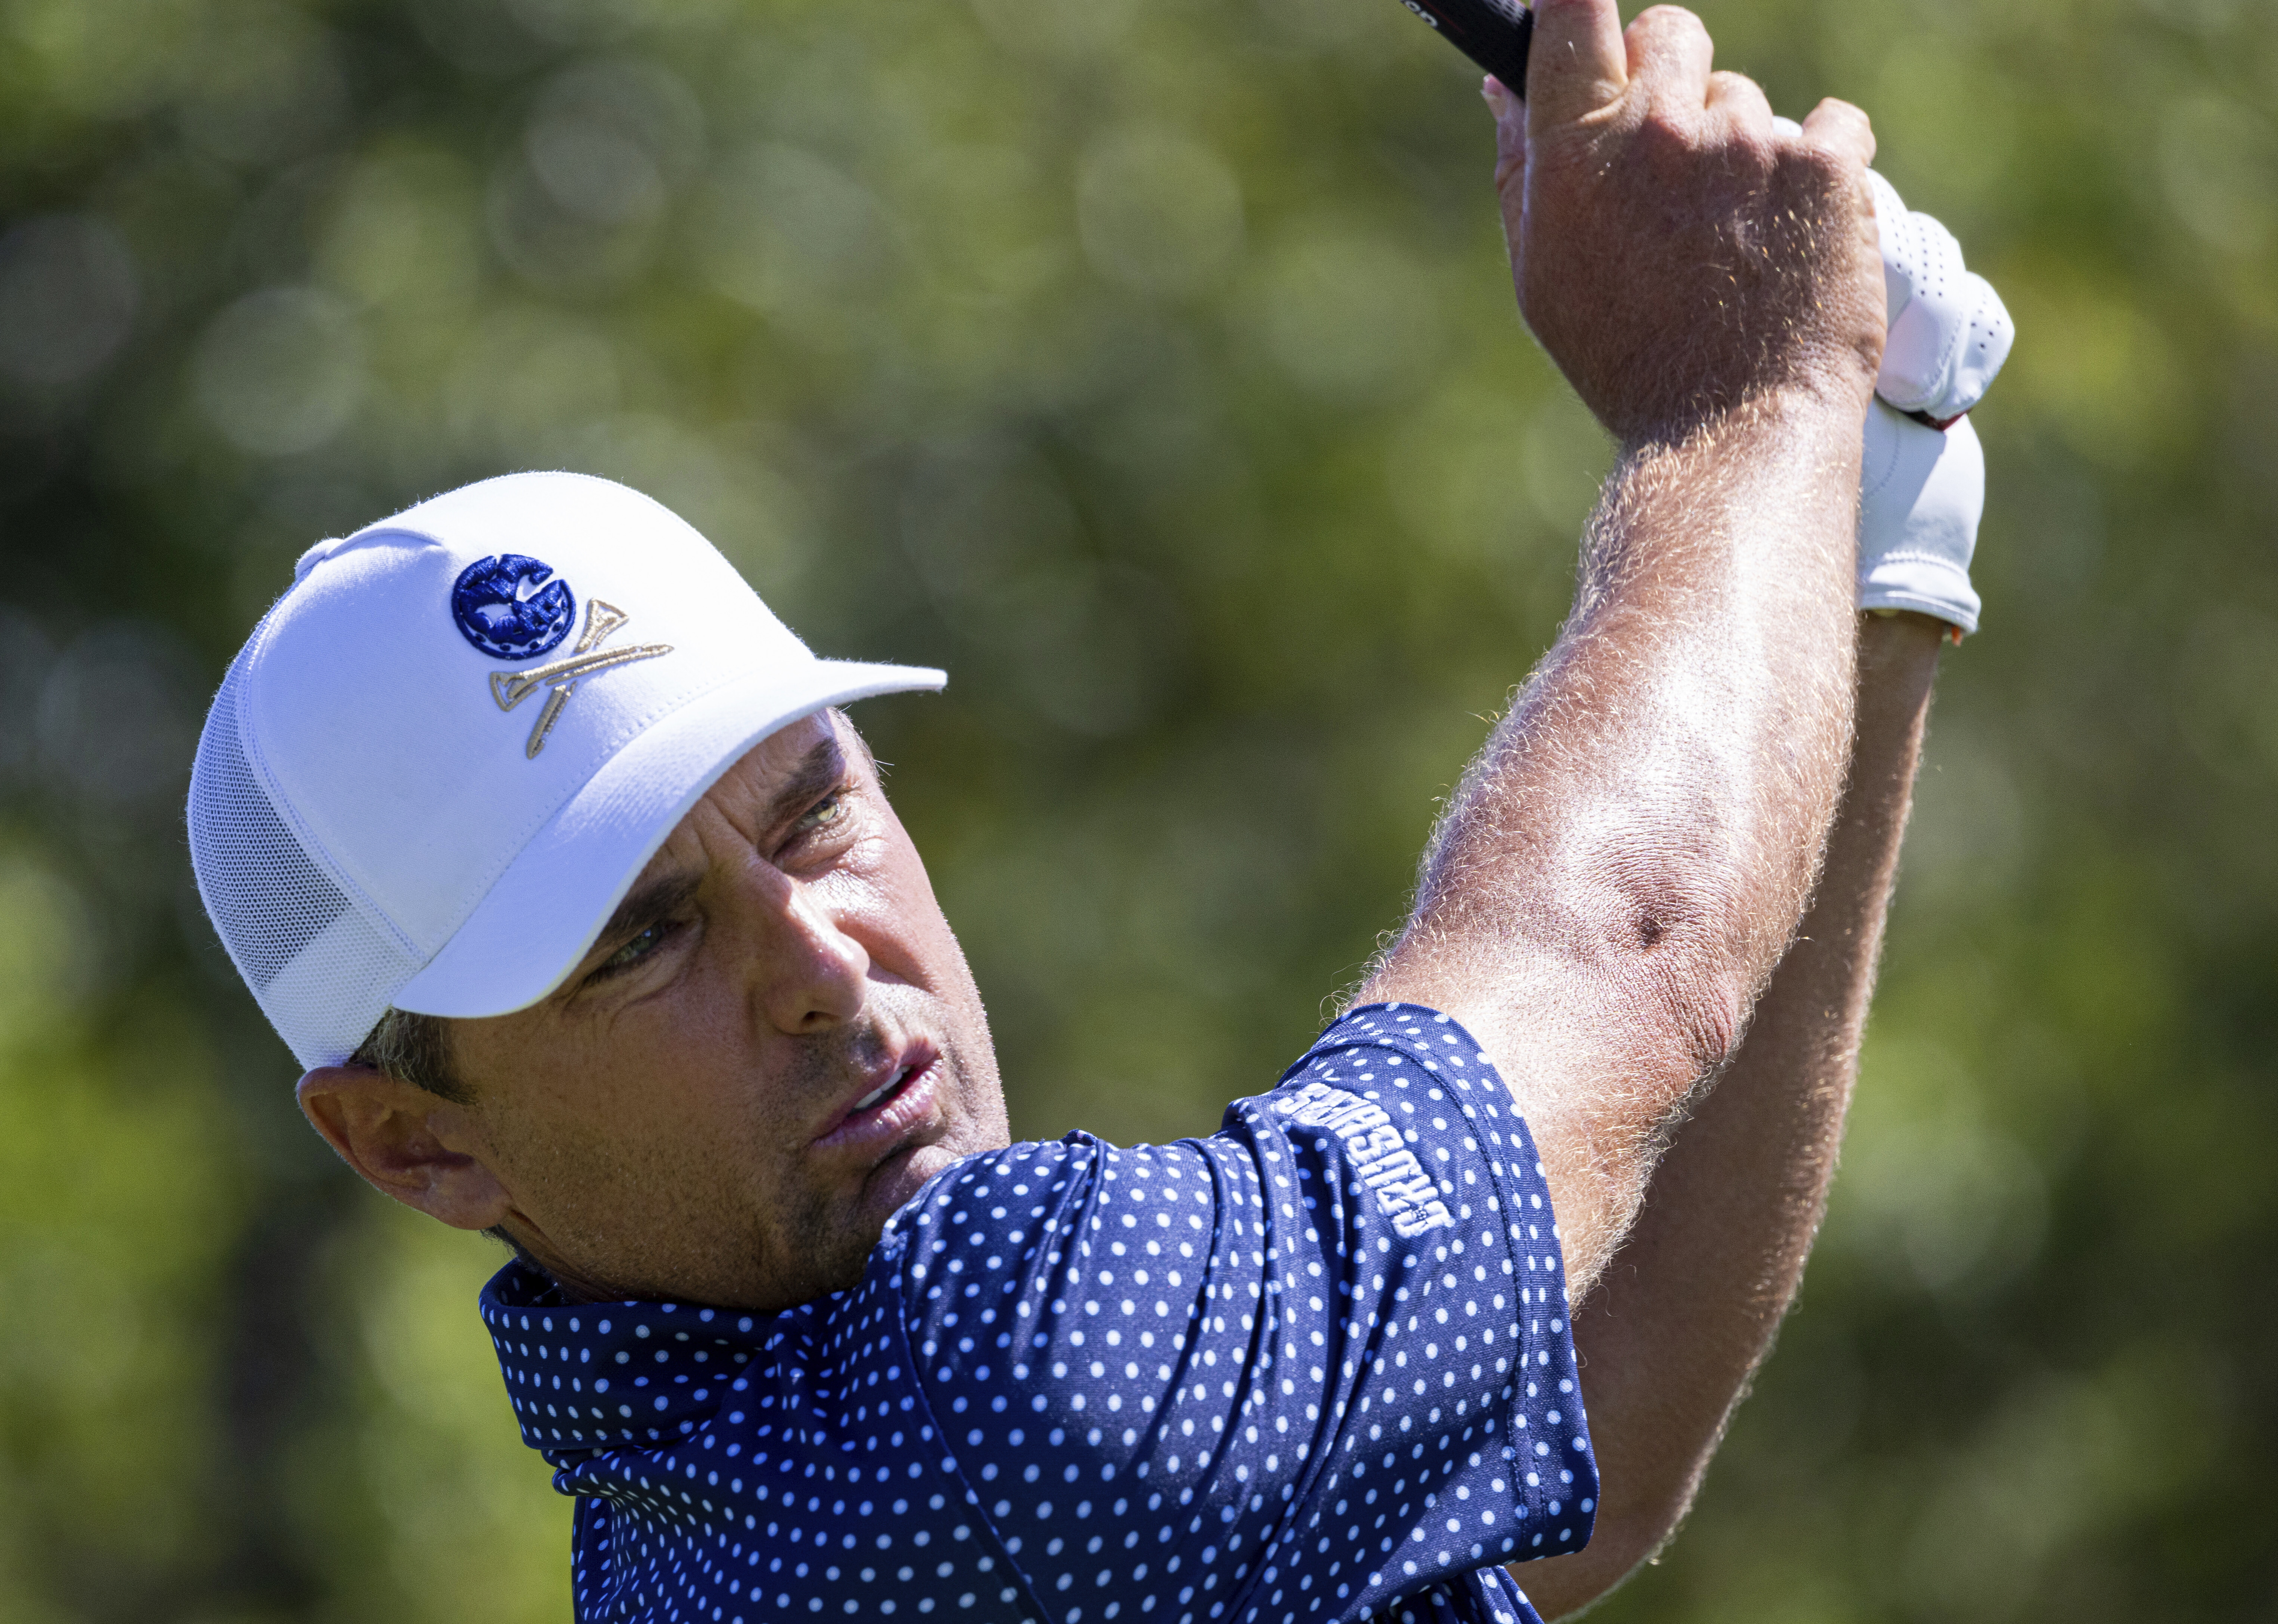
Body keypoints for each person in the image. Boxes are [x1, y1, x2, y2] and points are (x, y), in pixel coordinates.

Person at [184, 1, 2007, 1619]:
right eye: (640, 937)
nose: (821, 962)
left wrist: (1866, 548)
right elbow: (1608, 953)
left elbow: (1569, 1453)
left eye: (812, 809)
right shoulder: (982, 1422)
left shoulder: (725, 1509)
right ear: (415, 1144)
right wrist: (1749, 385)